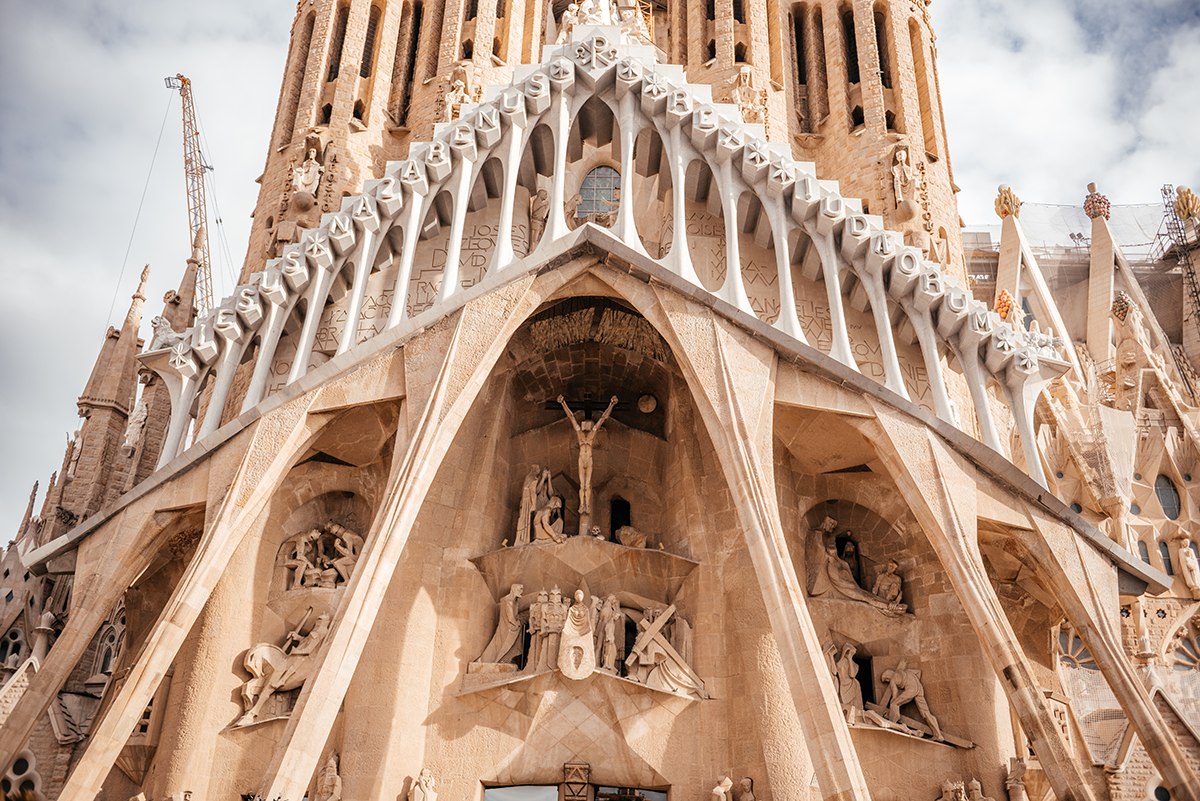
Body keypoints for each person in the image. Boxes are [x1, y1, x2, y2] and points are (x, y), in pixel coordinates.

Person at [556, 395, 619, 521]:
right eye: (583, 424)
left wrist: (611, 404)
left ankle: (587, 505)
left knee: (587, 485)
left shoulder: (592, 434)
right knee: (582, 485)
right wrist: (563, 403)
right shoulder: (579, 433)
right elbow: (571, 417)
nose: (584, 425)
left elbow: (603, 418)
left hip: (589, 459)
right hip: (581, 459)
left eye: (586, 424)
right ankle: (582, 504)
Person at [879, 660, 942, 740]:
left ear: (888, 677)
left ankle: (893, 724)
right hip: (919, 688)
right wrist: (912, 684)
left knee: (894, 704)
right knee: (926, 713)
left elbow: (894, 697)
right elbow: (918, 672)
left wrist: (890, 712)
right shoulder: (908, 671)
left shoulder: (893, 679)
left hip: (911, 690)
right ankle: (938, 734)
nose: (888, 682)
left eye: (886, 680)